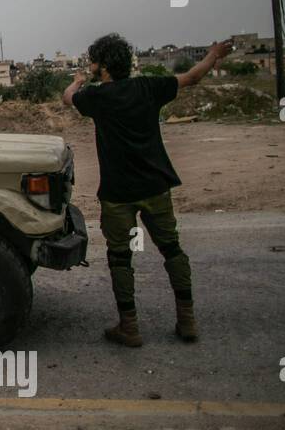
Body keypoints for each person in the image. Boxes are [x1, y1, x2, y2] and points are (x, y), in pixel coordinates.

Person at [64, 34, 233, 346]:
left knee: (119, 258)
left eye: (93, 61)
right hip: (156, 186)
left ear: (102, 66)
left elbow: (68, 98)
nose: (90, 66)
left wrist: (77, 81)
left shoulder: (96, 97)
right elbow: (193, 77)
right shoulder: (149, 88)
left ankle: (129, 327)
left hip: (117, 192)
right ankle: (187, 320)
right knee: (172, 249)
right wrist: (213, 54)